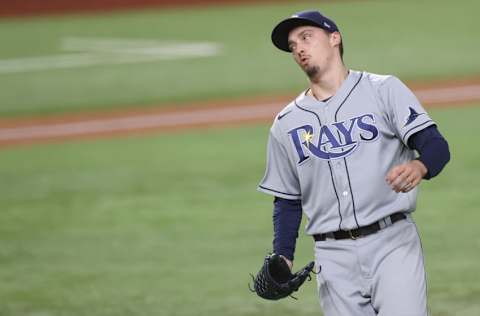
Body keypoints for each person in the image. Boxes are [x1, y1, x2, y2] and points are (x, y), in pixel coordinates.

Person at [258, 10, 450, 316]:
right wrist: (284, 256)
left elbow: (437, 146)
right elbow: (287, 199)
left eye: (306, 37)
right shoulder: (286, 123)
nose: (299, 49)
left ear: (335, 38)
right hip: (332, 258)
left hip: (393, 245)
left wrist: (419, 166)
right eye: (293, 46)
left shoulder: (383, 90)